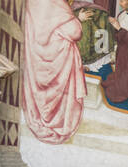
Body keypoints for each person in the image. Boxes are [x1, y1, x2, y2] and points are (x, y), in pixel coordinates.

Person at [20, 0, 85, 145]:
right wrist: (78, 19)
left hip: (35, 59)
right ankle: (57, 123)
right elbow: (74, 31)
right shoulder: (57, 3)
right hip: (57, 59)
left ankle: (40, 117)